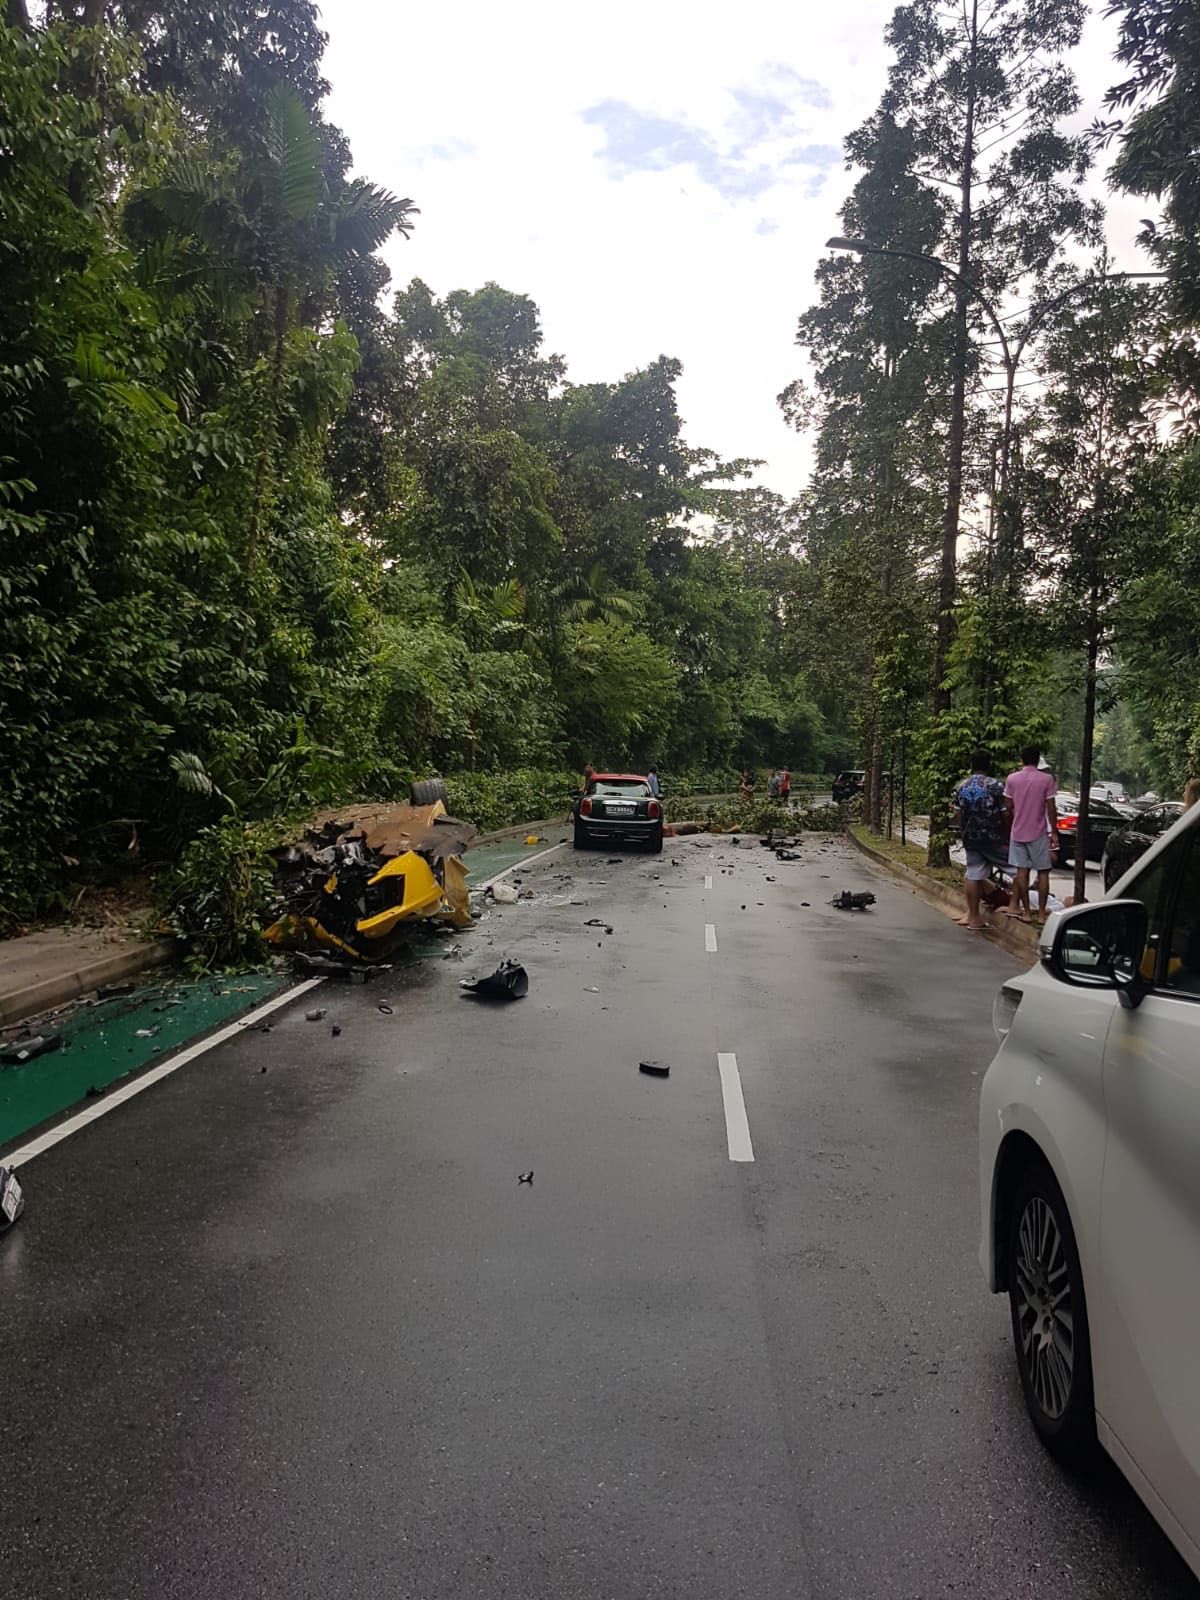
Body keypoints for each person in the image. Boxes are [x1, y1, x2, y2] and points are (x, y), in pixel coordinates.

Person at [953, 749, 1008, 931]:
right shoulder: (996, 786)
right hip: (993, 838)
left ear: (971, 765)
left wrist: (964, 831)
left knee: (973, 874)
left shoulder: (962, 786)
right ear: (988, 765)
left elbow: (957, 813)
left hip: (971, 837)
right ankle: (1018, 906)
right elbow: (1005, 813)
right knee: (1018, 868)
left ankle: (974, 917)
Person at [1004, 745, 1059, 927]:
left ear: (1022, 759)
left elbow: (1008, 806)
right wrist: (1054, 832)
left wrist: (1015, 818)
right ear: (1038, 759)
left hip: (1018, 832)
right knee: (1043, 872)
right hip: (1039, 832)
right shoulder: (1046, 779)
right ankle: (1042, 914)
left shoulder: (1012, 779)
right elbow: (1051, 807)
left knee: (1021, 873)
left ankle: (1026, 912)